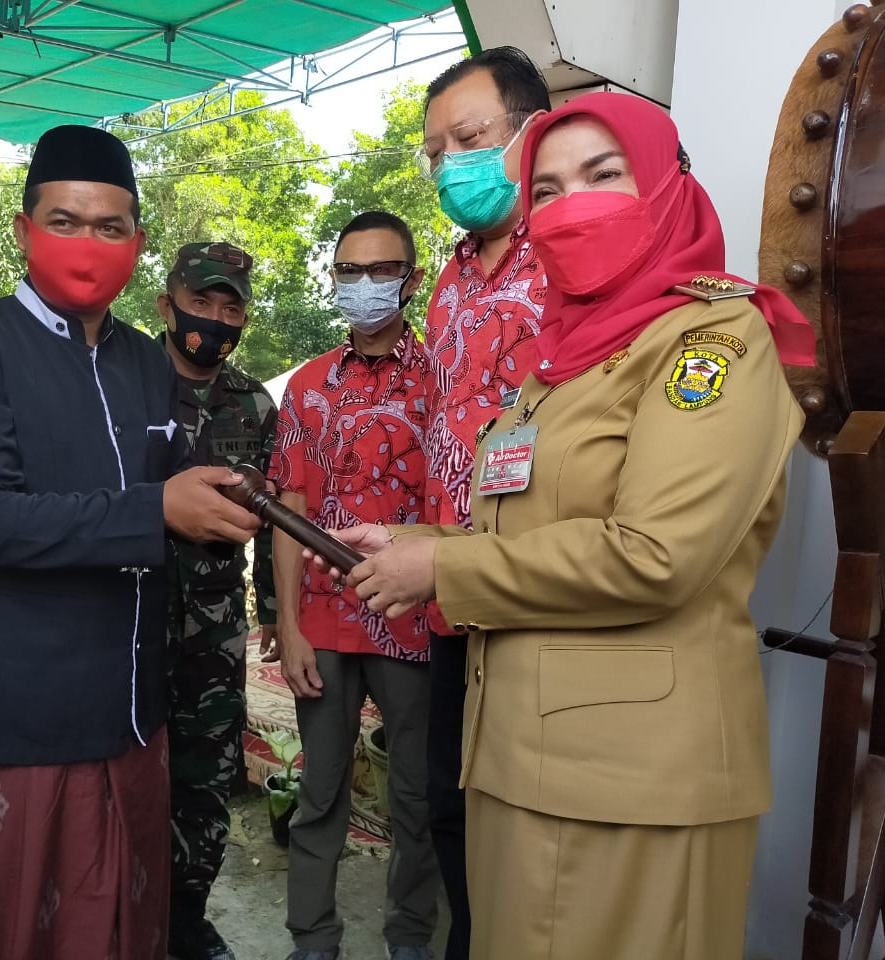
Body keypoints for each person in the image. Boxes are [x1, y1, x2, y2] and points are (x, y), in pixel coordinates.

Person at [315, 93, 817, 959]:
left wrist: (445, 576)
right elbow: (539, 525)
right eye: (546, 190)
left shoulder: (713, 342)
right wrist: (420, 543)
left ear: (665, 184)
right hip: (522, 762)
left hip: (631, 783)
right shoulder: (565, 363)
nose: (573, 204)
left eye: (604, 174)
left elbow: (655, 554)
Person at [0, 124, 260, 960]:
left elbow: (170, 482)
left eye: (111, 227)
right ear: (25, 228)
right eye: (65, 220)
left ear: (137, 243)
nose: (88, 242)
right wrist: (156, 511)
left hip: (134, 714)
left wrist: (237, 501)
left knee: (119, 934)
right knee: (15, 934)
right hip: (23, 716)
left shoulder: (147, 363)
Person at [269, 211, 439, 960]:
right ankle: (314, 937)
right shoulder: (307, 389)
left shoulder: (447, 385)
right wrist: (290, 624)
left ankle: (408, 938)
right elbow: (287, 512)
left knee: (417, 797)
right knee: (322, 791)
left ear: (412, 278)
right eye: (348, 271)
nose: (364, 285)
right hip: (326, 625)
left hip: (417, 619)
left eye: (381, 270)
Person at [417, 47, 551, 960]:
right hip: (445, 586)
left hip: (533, 588)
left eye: (467, 140)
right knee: (448, 805)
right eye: (435, 153)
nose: (449, 166)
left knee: (525, 818)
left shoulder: (574, 259)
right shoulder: (452, 276)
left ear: (531, 134)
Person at [155, 241, 278, 960]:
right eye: (202, 302)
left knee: (207, 784)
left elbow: (271, 514)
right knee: (125, 779)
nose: (215, 318)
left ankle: (187, 920)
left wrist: (270, 617)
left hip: (214, 628)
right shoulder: (124, 385)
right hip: (128, 624)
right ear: (167, 303)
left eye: (230, 307)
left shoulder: (256, 404)